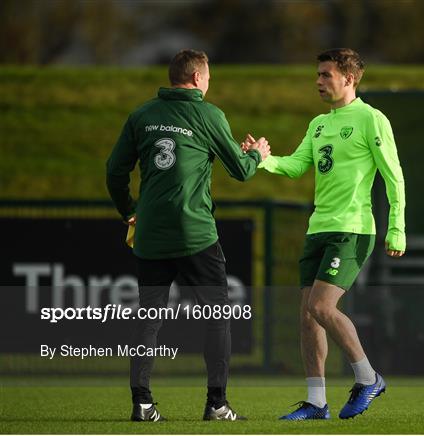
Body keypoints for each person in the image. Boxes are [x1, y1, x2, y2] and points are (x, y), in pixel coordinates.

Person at [106, 49, 270, 422]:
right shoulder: (208, 114)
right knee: (216, 317)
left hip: (151, 236)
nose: (209, 83)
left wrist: (130, 211)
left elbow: (114, 172)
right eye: (208, 77)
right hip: (196, 235)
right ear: (197, 78)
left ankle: (143, 403)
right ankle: (217, 403)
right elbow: (241, 171)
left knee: (149, 318)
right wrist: (257, 154)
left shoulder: (142, 115)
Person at [243, 48, 405, 420]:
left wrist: (397, 228)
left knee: (321, 307)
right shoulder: (319, 124)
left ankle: (368, 378)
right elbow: (297, 165)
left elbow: (393, 175)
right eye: (317, 75)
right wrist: (262, 158)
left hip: (351, 230)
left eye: (325, 75)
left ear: (348, 79)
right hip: (319, 229)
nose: (318, 81)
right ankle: (317, 402)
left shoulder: (371, 119)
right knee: (307, 316)